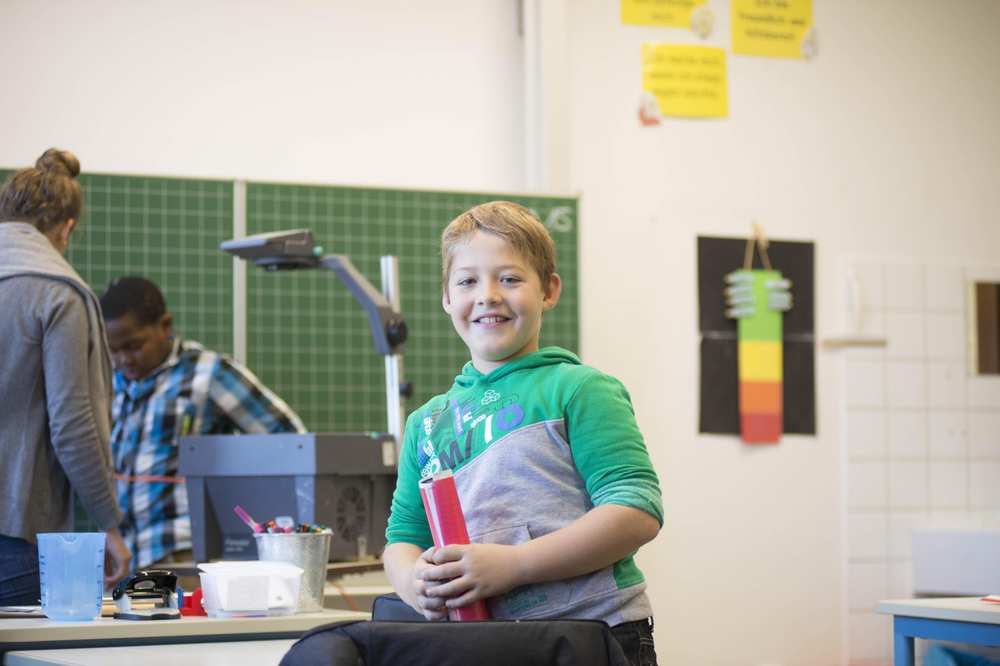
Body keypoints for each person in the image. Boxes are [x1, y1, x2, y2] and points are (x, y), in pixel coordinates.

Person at [383, 201, 663, 665]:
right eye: (468, 280)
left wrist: (515, 565)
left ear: (549, 290)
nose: (488, 295)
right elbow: (402, 538)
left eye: (510, 279)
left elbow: (635, 510)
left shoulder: (579, 389)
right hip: (479, 647)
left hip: (592, 637)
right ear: (447, 298)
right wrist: (415, 584)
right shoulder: (427, 424)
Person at [98, 276, 307, 570]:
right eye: (114, 350)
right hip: (124, 556)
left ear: (165, 326)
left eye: (134, 346)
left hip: (184, 554)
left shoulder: (208, 373)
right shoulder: (111, 382)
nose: (123, 359)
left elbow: (291, 441)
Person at [0, 149, 132, 604]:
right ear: (67, 228)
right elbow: (73, 427)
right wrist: (108, 525)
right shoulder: (57, 295)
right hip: (13, 530)